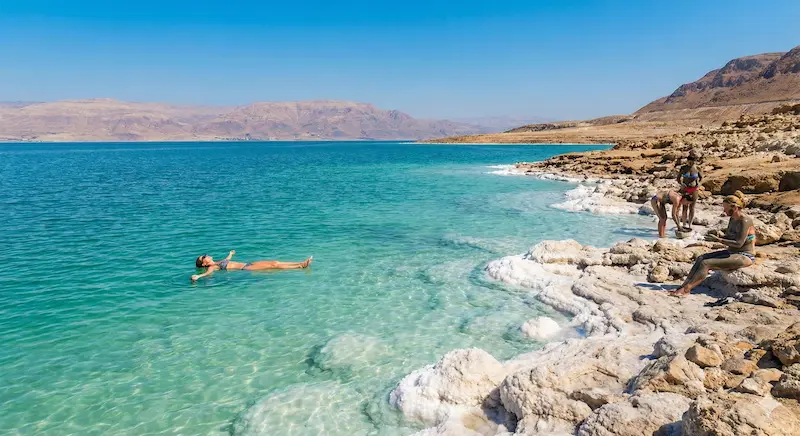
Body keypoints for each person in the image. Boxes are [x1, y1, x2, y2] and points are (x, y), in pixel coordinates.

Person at [670, 192, 755, 296]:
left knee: (706, 264)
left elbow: (738, 243)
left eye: (726, 208)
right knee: (701, 258)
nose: (724, 211)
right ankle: (684, 285)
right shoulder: (732, 218)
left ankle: (686, 290)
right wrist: (717, 236)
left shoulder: (745, 220)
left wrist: (719, 240)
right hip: (732, 252)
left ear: (734, 207)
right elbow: (728, 237)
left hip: (744, 255)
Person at [192, 250, 313, 281]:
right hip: (246, 268)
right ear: (204, 263)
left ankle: (300, 263)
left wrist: (230, 254)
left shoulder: (218, 262)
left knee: (275, 262)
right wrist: (198, 277)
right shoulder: (212, 267)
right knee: (273, 266)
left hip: (249, 264)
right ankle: (300, 266)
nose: (206, 255)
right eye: (204, 256)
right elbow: (207, 274)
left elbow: (227, 259)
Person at [677, 148, 703, 231]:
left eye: (693, 162)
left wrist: (699, 184)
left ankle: (690, 224)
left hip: (694, 189)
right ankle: (684, 223)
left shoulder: (698, 169)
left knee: (692, 207)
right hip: (685, 189)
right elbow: (678, 178)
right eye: (690, 162)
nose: (691, 163)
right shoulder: (683, 168)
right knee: (685, 207)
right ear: (687, 161)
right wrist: (681, 184)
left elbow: (701, 178)